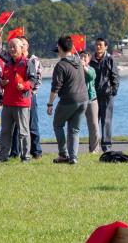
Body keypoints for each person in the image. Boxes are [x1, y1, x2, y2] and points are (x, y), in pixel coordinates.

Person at [47, 36, 88, 165]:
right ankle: (73, 157)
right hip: (84, 99)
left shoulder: (61, 65)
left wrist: (50, 104)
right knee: (74, 130)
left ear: (59, 48)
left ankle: (63, 154)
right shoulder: (78, 61)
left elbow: (56, 87)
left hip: (69, 99)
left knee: (57, 124)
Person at [0, 38, 37, 163]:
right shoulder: (8, 63)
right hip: (8, 102)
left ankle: (25, 157)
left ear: (21, 48)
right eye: (10, 46)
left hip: (21, 103)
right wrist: (2, 82)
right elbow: (2, 79)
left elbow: (33, 80)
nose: (11, 49)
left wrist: (24, 86)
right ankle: (3, 156)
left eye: (14, 46)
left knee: (23, 132)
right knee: (5, 131)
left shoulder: (28, 63)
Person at [89, 38, 119, 152]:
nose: (98, 47)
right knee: (93, 122)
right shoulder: (91, 60)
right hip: (93, 96)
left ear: (106, 47)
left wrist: (113, 91)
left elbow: (115, 76)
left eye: (100, 45)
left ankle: (106, 148)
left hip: (107, 95)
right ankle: (93, 148)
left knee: (106, 121)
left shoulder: (110, 59)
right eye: (96, 45)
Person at [80, 51, 101, 153]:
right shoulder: (76, 70)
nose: (83, 59)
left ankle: (94, 150)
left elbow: (91, 76)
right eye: (81, 57)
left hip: (91, 100)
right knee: (74, 125)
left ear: (89, 59)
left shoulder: (91, 69)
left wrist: (84, 67)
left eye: (85, 57)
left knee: (93, 125)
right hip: (79, 100)